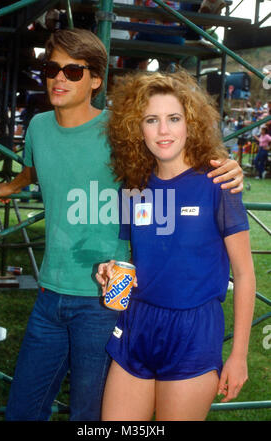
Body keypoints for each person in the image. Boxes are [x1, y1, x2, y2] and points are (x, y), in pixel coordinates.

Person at [0, 29, 243, 421]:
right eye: (52, 68)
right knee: (25, 410)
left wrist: (227, 165)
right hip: (59, 294)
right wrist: (15, 184)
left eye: (73, 71)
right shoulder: (43, 129)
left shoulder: (120, 130)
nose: (59, 77)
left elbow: (177, 145)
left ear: (95, 79)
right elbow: (35, 167)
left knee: (89, 414)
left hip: (111, 304)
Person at [96, 70, 255, 421]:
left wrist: (239, 355)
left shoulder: (218, 182)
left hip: (193, 330)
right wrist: (109, 270)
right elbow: (139, 257)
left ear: (191, 123)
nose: (163, 131)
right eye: (151, 120)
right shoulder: (133, 186)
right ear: (136, 128)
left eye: (173, 119)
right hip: (136, 322)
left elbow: (244, 274)